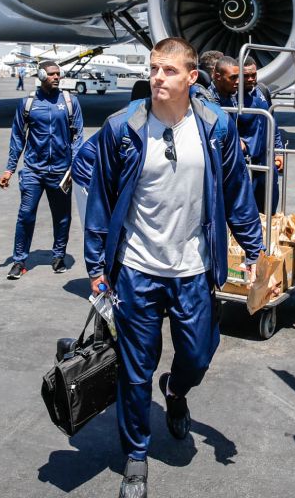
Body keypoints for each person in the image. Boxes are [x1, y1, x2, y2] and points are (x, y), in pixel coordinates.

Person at [84, 38, 264, 498]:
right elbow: (101, 198)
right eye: (153, 69)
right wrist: (95, 264)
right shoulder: (122, 127)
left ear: (191, 78)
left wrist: (255, 249)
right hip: (137, 270)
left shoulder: (215, 127)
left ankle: (178, 391)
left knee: (199, 355)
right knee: (134, 369)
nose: (157, 77)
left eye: (168, 70)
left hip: (194, 269)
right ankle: (137, 456)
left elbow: (238, 192)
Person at [0, 61, 84, 278]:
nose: (57, 77)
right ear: (41, 74)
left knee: (62, 217)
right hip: (33, 171)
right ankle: (19, 261)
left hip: (60, 172)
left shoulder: (70, 102)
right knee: (25, 215)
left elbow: (78, 137)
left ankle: (58, 256)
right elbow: (17, 137)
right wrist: (9, 169)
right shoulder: (28, 103)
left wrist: (75, 167)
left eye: (59, 74)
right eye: (52, 74)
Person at [225, 56, 284, 214]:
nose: (251, 79)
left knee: (269, 206)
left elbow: (273, 122)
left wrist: (278, 151)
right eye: (246, 76)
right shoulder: (231, 98)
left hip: (266, 159)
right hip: (246, 161)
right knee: (246, 210)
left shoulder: (263, 90)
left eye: (254, 74)